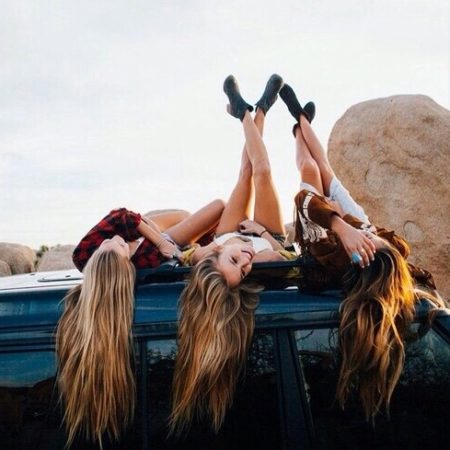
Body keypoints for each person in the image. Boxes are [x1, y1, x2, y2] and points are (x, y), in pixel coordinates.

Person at [278, 82, 444, 422]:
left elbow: (304, 201)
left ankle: (297, 131)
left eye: (374, 243)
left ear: (360, 257)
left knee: (310, 169)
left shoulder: (332, 259)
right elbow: (417, 280)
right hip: (355, 222)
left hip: (323, 229)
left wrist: (340, 226)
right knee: (327, 168)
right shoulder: (390, 267)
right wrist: (362, 229)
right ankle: (301, 117)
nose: (377, 238)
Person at [169, 74, 294, 435]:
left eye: (234, 260)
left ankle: (247, 111)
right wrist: (263, 237)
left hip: (228, 232)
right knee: (263, 171)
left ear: (217, 257)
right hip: (267, 234)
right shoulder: (259, 264)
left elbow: (186, 254)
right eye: (243, 268)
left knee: (245, 172)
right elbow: (285, 257)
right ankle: (255, 112)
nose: (245, 259)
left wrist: (213, 247)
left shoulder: (207, 256)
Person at [56, 202, 225, 447]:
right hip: (159, 238)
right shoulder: (147, 262)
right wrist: (171, 246)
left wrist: (158, 241)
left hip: (152, 233)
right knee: (203, 211)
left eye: (107, 243)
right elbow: (124, 220)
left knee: (179, 217)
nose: (114, 238)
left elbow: (120, 216)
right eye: (119, 245)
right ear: (128, 267)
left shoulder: (83, 255)